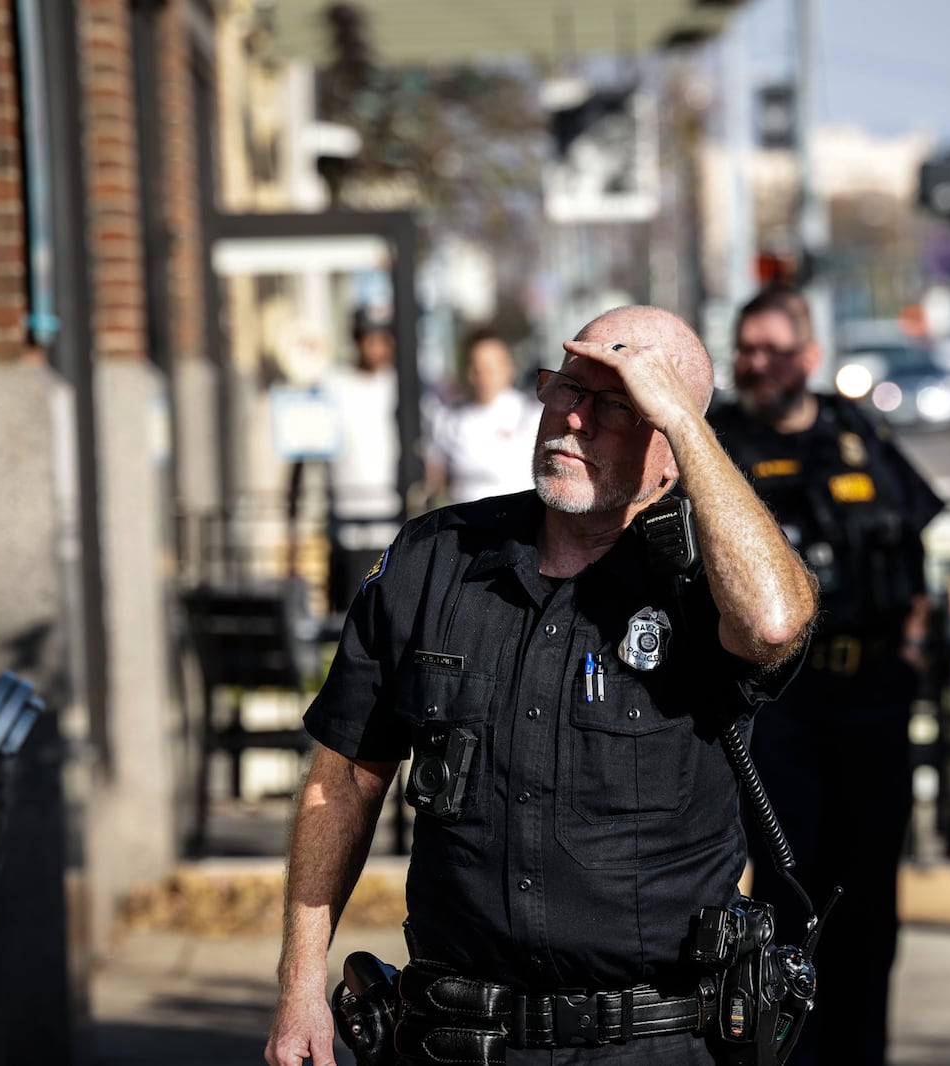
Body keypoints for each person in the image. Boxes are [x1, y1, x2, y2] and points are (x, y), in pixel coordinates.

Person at [265, 305, 818, 1066]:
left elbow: (775, 624)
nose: (575, 421)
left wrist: (688, 427)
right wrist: (299, 988)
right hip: (453, 1039)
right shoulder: (437, 559)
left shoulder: (701, 586)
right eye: (566, 391)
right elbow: (344, 781)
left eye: (618, 405)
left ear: (669, 445)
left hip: (649, 1043)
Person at [706, 286, 943, 1066]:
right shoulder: (718, 448)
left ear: (809, 358)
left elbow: (913, 555)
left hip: (870, 704)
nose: (756, 363)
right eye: (746, 348)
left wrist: (909, 648)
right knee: (783, 902)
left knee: (869, 906)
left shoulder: (859, 436)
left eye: (774, 349)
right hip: (779, 713)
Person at [320, 306, 402, 611]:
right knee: (350, 616)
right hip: (349, 522)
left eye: (384, 339)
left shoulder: (399, 384)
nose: (378, 347)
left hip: (394, 521)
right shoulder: (333, 384)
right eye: (371, 338)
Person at [424, 326, 543, 504]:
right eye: (476, 367)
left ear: (508, 368)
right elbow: (434, 480)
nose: (484, 375)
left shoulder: (533, 414)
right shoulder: (447, 419)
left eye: (491, 367)